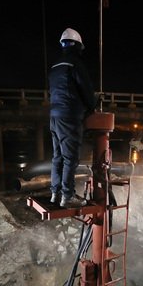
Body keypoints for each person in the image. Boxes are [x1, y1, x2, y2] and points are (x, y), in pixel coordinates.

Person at [48, 28, 96, 208]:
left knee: (57, 157)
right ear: (77, 45)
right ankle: (67, 196)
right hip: (69, 116)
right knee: (71, 158)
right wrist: (92, 106)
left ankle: (55, 193)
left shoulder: (55, 66)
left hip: (54, 117)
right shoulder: (75, 64)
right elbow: (86, 90)